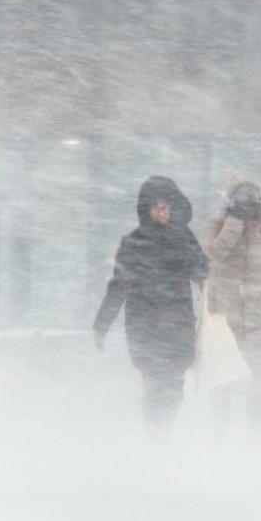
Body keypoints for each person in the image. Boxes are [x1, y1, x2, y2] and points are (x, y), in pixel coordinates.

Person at [93, 176, 209, 436]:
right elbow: (118, 286)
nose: (162, 211)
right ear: (147, 209)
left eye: (167, 206)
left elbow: (202, 272)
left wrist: (187, 240)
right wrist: (102, 324)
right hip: (145, 326)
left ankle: (162, 434)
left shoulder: (182, 239)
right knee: (155, 385)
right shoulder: (134, 243)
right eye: (157, 206)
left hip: (178, 325)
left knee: (175, 389)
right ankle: (156, 436)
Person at [199, 178, 261, 434]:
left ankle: (256, 438)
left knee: (259, 382)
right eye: (244, 201)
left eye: (254, 201)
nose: (250, 207)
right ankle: (219, 434)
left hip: (256, 320)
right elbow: (214, 254)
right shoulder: (215, 227)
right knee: (223, 380)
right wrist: (233, 224)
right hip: (223, 318)